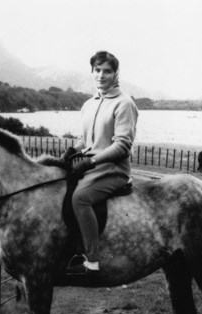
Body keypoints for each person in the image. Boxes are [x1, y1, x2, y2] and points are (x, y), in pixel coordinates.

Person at [62, 50, 138, 275]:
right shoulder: (89, 104)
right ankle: (69, 250)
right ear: (92, 72)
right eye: (97, 70)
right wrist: (72, 151)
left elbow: (122, 145)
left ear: (116, 74)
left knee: (81, 198)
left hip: (113, 170)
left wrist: (91, 161)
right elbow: (84, 139)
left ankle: (92, 261)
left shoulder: (124, 104)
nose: (101, 75)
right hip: (90, 166)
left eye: (107, 71)